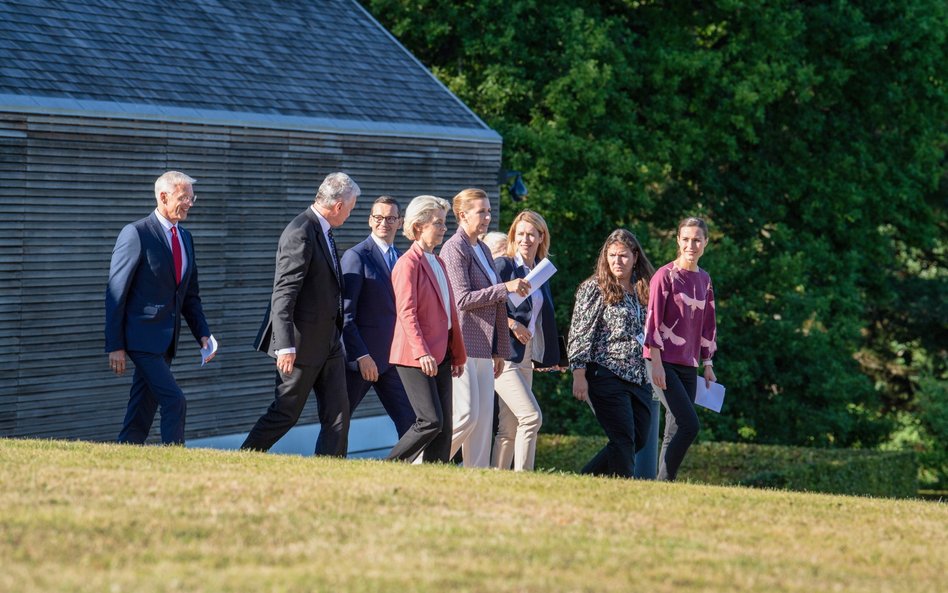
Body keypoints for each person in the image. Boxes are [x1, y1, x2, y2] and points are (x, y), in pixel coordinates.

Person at [241, 172, 359, 456]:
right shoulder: (300, 232)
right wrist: (284, 345)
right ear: (339, 205)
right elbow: (284, 293)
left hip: (329, 342)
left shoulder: (324, 231)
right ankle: (244, 456)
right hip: (300, 344)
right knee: (286, 412)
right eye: (352, 207)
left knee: (338, 414)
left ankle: (330, 472)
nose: (352, 213)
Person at [105, 170, 215, 445]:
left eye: (192, 197)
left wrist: (203, 333)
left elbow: (189, 296)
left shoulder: (186, 238)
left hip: (166, 342)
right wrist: (115, 345)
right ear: (163, 197)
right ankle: (174, 462)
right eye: (184, 197)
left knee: (140, 413)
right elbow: (116, 293)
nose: (190, 203)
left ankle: (125, 455)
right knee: (175, 400)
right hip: (140, 339)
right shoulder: (136, 234)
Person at [440, 188, 530, 468]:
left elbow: (498, 305)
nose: (488, 217)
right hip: (462, 345)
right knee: (466, 416)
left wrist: (500, 350)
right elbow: (462, 299)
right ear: (462, 215)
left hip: (485, 345)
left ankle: (477, 480)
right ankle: (425, 461)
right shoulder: (454, 248)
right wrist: (505, 286)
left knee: (481, 425)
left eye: (489, 211)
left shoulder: (482, 248)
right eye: (481, 211)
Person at [567, 229, 654, 478]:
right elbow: (580, 331)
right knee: (623, 438)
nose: (617, 261)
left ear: (635, 257)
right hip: (605, 371)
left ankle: (585, 478)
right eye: (612, 255)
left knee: (639, 438)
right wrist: (579, 373)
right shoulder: (594, 287)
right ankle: (622, 490)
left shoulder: (643, 289)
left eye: (623, 256)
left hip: (638, 376)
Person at [387, 196, 467, 462]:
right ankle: (388, 466)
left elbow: (449, 313)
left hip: (441, 353)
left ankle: (435, 479)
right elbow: (406, 313)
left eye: (445, 223)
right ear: (419, 225)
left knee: (444, 429)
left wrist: (456, 354)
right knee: (430, 421)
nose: (444, 228)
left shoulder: (439, 262)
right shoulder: (407, 264)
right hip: (414, 355)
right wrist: (422, 353)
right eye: (439, 223)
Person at [645, 217, 718, 481]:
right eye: (686, 239)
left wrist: (708, 363)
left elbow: (708, 324)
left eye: (697, 240)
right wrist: (655, 363)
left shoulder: (705, 279)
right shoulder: (664, 276)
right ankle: (664, 481)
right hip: (661, 360)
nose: (691, 245)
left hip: (689, 364)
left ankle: (664, 485)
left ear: (706, 243)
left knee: (674, 428)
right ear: (678, 241)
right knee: (690, 424)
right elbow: (652, 322)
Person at [491, 211, 561, 471]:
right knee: (531, 417)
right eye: (520, 233)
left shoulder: (541, 271)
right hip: (503, 355)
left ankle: (496, 479)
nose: (525, 239)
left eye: (531, 234)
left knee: (508, 428)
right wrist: (512, 324)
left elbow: (544, 318)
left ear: (541, 237)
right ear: (513, 236)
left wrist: (555, 355)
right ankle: (525, 478)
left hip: (526, 355)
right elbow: (488, 306)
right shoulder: (504, 266)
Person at [341, 196, 415, 438]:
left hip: (394, 359)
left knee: (411, 422)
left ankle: (410, 472)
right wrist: (362, 356)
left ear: (400, 222)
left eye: (391, 218)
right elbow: (345, 314)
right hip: (362, 359)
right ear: (370, 221)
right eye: (379, 217)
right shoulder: (356, 256)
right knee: (339, 420)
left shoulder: (404, 259)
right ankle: (326, 467)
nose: (384, 222)